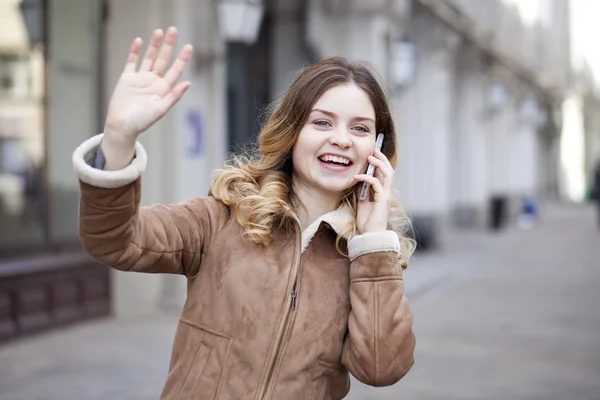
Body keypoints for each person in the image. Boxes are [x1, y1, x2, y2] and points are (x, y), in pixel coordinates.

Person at [72, 27, 415, 400]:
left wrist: (372, 244)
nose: (342, 139)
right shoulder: (221, 218)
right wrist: (119, 139)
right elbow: (115, 241)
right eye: (322, 122)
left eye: (361, 128)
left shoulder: (369, 255)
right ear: (293, 130)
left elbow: (381, 368)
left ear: (377, 149)